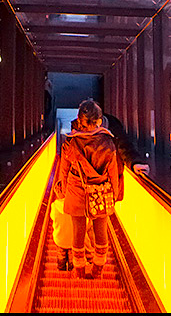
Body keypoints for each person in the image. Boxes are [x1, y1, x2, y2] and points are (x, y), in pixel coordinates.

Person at [56, 100, 120, 279]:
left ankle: (79, 271)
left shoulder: (71, 142)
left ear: (79, 119)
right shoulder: (108, 142)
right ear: (99, 121)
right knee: (101, 232)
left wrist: (61, 189)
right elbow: (113, 172)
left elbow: (63, 171)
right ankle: (98, 271)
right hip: (100, 192)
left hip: (76, 190)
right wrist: (114, 194)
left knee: (78, 232)